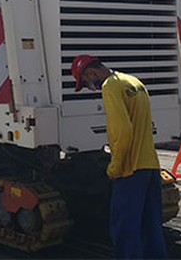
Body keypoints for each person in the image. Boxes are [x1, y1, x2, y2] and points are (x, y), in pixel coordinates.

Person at [71, 55, 167, 259]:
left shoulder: (110, 87)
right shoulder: (134, 82)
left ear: (92, 73)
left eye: (87, 82)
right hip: (150, 165)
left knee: (125, 228)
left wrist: (114, 168)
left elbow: (122, 132)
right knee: (151, 226)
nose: (91, 88)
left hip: (130, 168)